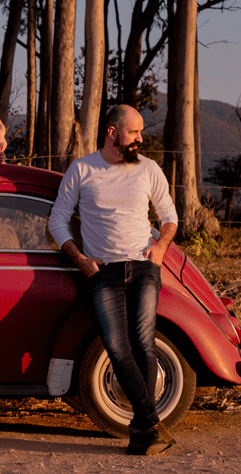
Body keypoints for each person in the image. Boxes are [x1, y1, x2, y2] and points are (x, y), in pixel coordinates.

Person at [47, 104, 179, 456]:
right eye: (134, 132)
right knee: (117, 347)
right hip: (102, 272)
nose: (140, 138)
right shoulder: (82, 170)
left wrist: (161, 248)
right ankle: (149, 426)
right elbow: (57, 219)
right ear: (112, 133)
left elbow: (169, 216)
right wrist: (80, 258)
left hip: (143, 267)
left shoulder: (148, 169)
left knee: (143, 345)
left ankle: (143, 430)